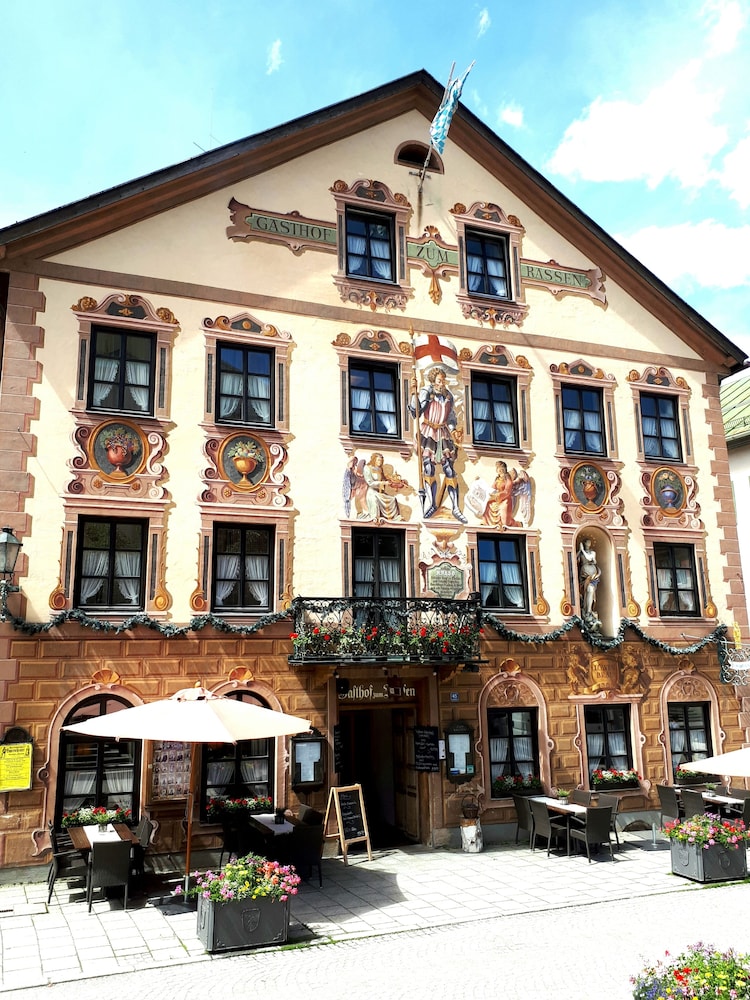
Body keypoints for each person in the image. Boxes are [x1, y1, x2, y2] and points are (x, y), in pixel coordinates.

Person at [410, 366, 467, 522]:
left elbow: (451, 416)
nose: (442, 383)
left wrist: (454, 429)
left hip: (443, 433)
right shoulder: (426, 392)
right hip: (429, 431)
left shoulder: (448, 396)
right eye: (439, 380)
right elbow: (416, 411)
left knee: (449, 468)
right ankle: (431, 503)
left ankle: (456, 507)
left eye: (443, 380)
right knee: (428, 466)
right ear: (433, 381)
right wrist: (414, 394)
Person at [363, 452, 405, 523]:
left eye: (381, 461)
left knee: (393, 499)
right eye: (378, 460)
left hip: (380, 492)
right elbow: (370, 483)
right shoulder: (367, 468)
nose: (380, 462)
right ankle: (375, 518)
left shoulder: (380, 469)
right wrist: (382, 483)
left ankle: (393, 519)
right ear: (374, 460)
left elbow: (385, 480)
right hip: (372, 493)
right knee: (375, 500)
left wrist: (395, 483)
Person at [577, 537, 601, 623]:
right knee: (585, 593)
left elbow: (589, 559)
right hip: (584, 577)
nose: (589, 544)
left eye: (590, 542)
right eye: (587, 542)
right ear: (584, 543)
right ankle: (585, 610)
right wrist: (580, 551)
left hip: (593, 577)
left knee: (590, 591)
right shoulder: (581, 553)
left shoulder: (592, 553)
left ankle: (589, 611)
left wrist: (582, 550)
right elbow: (574, 560)